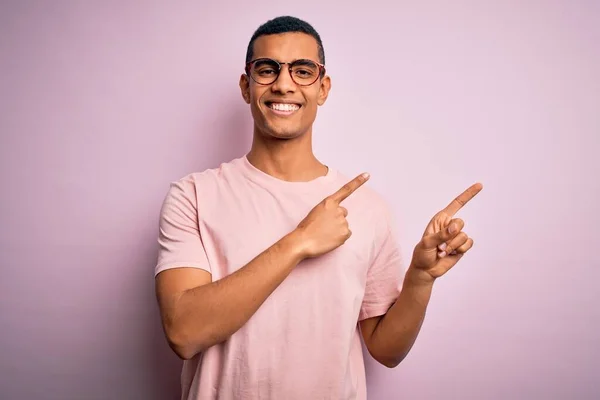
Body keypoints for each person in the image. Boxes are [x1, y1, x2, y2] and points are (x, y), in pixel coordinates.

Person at [154, 15, 482, 400]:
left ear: (323, 88)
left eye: (302, 71)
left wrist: (420, 280)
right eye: (267, 69)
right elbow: (184, 332)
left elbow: (387, 351)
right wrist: (299, 242)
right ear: (246, 86)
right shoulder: (193, 195)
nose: (283, 83)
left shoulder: (366, 208)